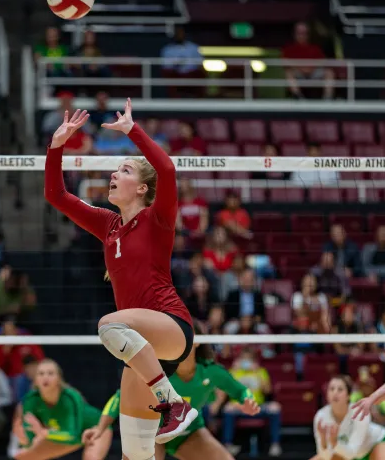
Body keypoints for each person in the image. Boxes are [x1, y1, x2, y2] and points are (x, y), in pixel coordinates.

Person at [44, 99, 198, 458]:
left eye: (125, 170)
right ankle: (171, 403)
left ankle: (173, 404)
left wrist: (133, 131)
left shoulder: (157, 219)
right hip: (141, 350)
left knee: (107, 325)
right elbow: (56, 194)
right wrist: (56, 146)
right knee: (134, 453)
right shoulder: (109, 226)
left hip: (171, 328)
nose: (114, 174)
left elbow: (168, 171)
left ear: (143, 188)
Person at [82, 324, 260, 460]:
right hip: (154, 432)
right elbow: (119, 398)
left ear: (196, 341)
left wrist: (248, 400)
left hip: (190, 433)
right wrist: (100, 427)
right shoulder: (156, 371)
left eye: (186, 336)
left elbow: (241, 391)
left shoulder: (210, 371)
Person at [15, 359, 112, 460]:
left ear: (59, 378)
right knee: (23, 456)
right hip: (64, 433)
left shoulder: (70, 398)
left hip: (96, 427)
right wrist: (24, 440)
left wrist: (44, 433)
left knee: (90, 457)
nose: (45, 377)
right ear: (35, 380)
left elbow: (72, 435)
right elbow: (30, 439)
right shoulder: (31, 400)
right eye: (41, 373)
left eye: (50, 373)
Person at [314, 376, 385, 460]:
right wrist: (323, 441)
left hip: (375, 444)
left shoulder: (359, 412)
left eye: (340, 389)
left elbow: (352, 453)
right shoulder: (321, 416)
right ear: (327, 395)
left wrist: (334, 443)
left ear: (348, 395)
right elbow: (325, 457)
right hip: (347, 453)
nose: (335, 393)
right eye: (331, 389)